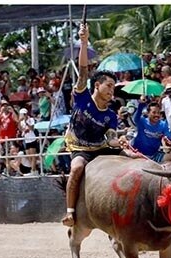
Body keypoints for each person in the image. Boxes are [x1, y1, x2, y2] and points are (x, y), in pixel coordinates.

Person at [61, 23, 125, 227]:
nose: (111, 90)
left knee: (132, 159)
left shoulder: (111, 115)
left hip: (102, 148)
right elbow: (82, 71)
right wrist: (84, 41)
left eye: (113, 87)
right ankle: (70, 213)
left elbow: (111, 138)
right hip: (80, 148)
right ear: (97, 86)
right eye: (108, 86)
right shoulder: (82, 98)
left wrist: (118, 143)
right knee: (77, 168)